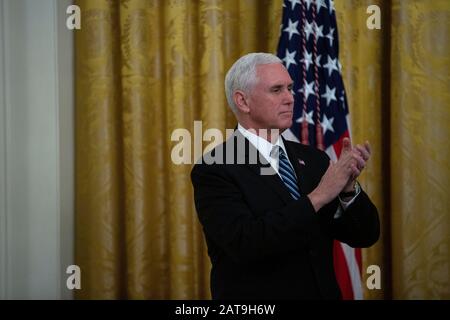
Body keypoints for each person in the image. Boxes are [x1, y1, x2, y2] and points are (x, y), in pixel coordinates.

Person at [190, 52, 380, 299]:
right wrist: (319, 196)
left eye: (290, 88)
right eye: (277, 90)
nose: (290, 98)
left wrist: (347, 190)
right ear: (243, 101)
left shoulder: (314, 159)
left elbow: (365, 235)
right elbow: (246, 244)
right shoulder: (215, 168)